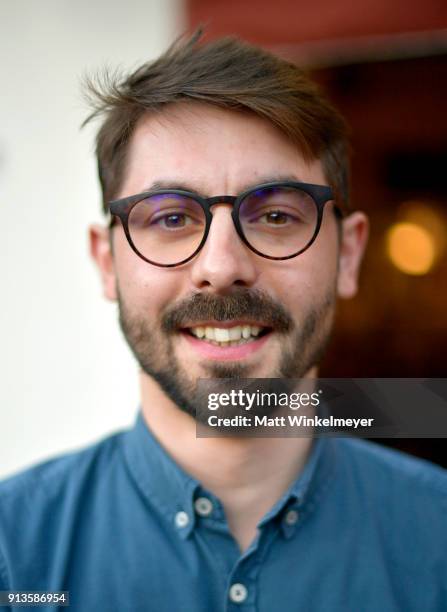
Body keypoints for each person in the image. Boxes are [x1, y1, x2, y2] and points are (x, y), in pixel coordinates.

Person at [0, 30, 446, 612]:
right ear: (107, 263)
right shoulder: (15, 558)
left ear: (349, 255)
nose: (222, 266)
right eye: (170, 218)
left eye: (277, 214)